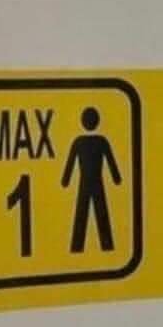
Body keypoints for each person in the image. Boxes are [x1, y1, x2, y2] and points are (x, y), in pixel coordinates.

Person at [61, 106, 122, 252]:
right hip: (96, 182)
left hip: (86, 183)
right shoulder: (101, 141)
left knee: (86, 211)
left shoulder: (79, 142)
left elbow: (70, 163)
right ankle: (104, 245)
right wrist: (116, 178)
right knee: (96, 210)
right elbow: (111, 161)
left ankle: (80, 246)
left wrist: (66, 180)